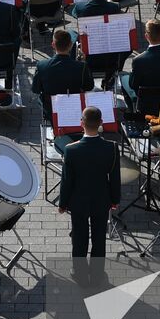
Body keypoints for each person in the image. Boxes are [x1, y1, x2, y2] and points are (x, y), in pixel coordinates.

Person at [57, 106, 120, 259]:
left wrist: (62, 204)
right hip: (102, 199)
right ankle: (98, 273)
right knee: (99, 238)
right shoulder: (111, 147)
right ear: (101, 123)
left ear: (81, 123)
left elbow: (67, 180)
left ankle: (79, 273)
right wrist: (115, 200)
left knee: (79, 237)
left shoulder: (70, 150)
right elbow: (114, 177)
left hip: (78, 201)